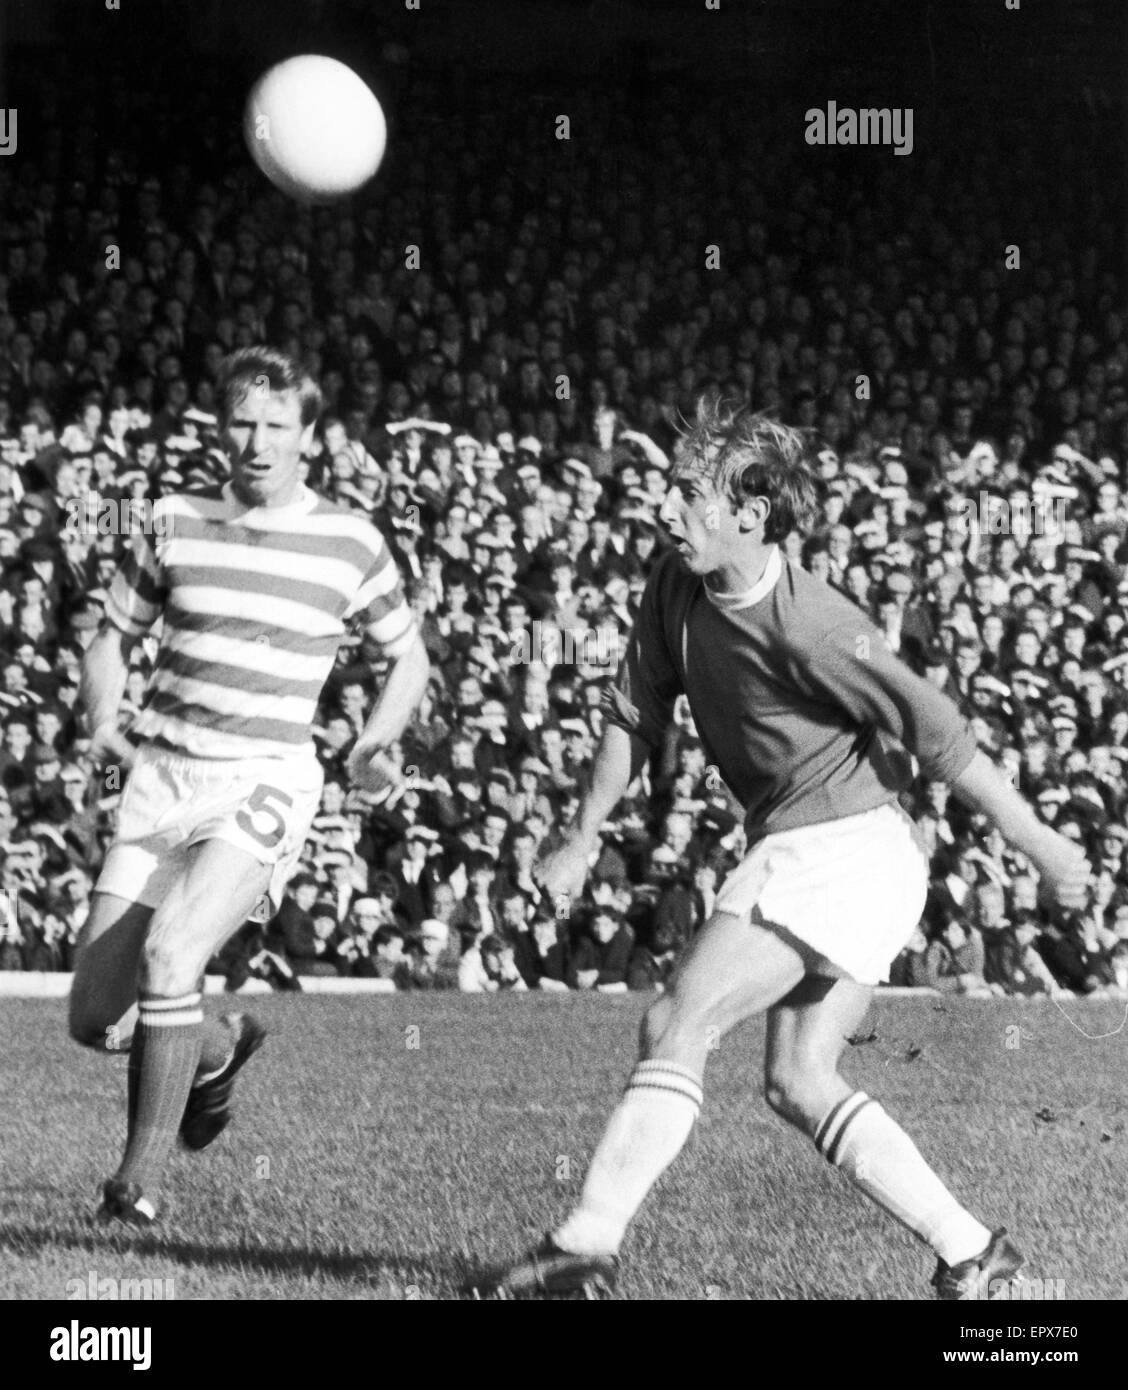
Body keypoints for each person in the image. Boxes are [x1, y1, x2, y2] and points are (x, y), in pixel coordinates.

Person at [481, 400, 1088, 1301]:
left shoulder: (813, 622)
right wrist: (578, 839)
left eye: (689, 495)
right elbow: (633, 714)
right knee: (799, 1079)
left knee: (676, 1023)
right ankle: (980, 1261)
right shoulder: (675, 589)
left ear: (752, 514)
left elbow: (939, 730)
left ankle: (584, 1245)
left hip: (843, 847)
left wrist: (1042, 847)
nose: (666, 509)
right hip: (823, 848)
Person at [67, 346, 429, 1225]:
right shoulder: (172, 520)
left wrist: (378, 738)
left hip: (262, 777)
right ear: (220, 425)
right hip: (162, 775)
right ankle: (219, 1046)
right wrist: (102, 713)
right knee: (93, 1018)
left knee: (172, 953)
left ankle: (135, 1184)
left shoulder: (350, 541)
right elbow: (113, 637)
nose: (256, 441)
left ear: (309, 434)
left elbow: (408, 658)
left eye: (276, 426)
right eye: (242, 421)